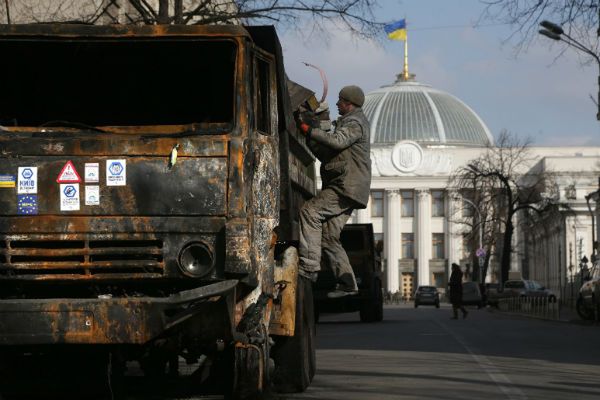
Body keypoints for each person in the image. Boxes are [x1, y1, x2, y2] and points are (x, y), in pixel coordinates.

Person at [296, 85, 371, 298]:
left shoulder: (355, 123)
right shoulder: (348, 122)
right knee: (329, 237)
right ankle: (347, 281)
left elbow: (337, 141)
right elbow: (328, 148)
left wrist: (309, 130)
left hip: (345, 187)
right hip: (349, 188)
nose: (337, 104)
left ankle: (309, 268)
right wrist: (318, 123)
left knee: (310, 212)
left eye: (340, 101)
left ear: (350, 104)